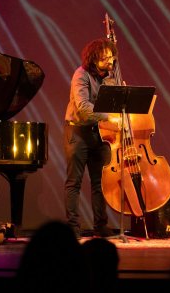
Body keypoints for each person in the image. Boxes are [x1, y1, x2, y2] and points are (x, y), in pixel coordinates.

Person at [64, 38, 121, 238]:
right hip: (78, 132)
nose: (110, 61)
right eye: (105, 57)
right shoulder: (81, 75)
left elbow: (113, 105)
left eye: (111, 56)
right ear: (94, 57)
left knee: (101, 182)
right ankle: (72, 227)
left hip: (100, 133)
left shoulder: (110, 78)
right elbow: (84, 109)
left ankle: (101, 226)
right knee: (74, 182)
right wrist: (109, 117)